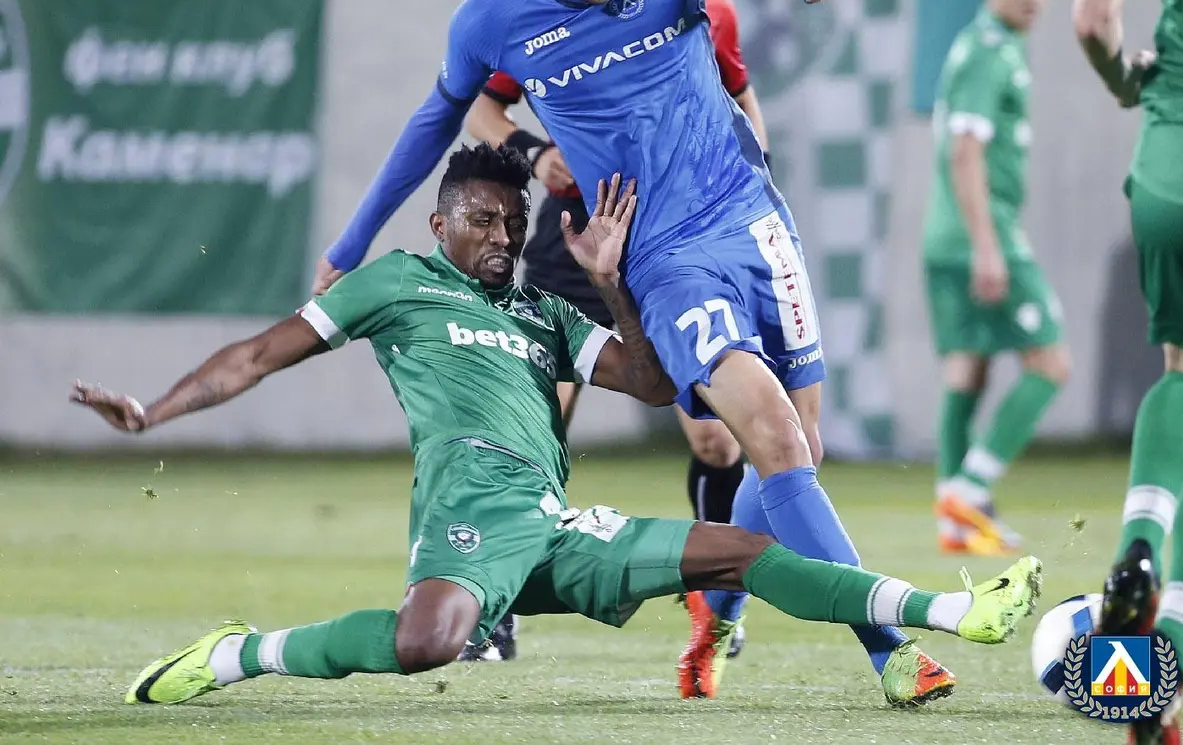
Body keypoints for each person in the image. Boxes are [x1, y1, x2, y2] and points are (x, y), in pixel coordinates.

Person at [72, 145, 1043, 706]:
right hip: (470, 503)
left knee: (743, 550)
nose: (501, 237)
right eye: (482, 221)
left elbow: (654, 384)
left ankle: (949, 613)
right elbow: (256, 353)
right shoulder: (396, 284)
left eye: (511, 222)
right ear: (441, 225)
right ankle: (239, 652)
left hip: (547, 518)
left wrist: (613, 283)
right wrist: (154, 410)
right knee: (427, 643)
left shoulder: (546, 313)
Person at [309, 0, 940, 704]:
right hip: (664, 260)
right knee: (778, 440)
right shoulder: (494, 20)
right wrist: (351, 243)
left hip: (755, 222)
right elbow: (434, 124)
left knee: (801, 449)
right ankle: (894, 651)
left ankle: (714, 615)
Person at [460, 0, 767, 664]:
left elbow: (742, 100)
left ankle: (717, 602)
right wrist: (535, 155)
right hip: (578, 241)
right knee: (537, 429)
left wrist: (753, 188)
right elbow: (482, 108)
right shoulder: (542, 6)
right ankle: (494, 608)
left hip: (675, 243)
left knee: (717, 440)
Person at [1072, 0, 1183, 744]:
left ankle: (1138, 542)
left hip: (1173, 158)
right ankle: (1175, 658)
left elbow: (1093, 18)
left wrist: (1127, 84)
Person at [923, 0, 1070, 557]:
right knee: (1051, 362)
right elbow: (965, 153)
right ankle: (972, 488)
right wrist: (988, 244)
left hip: (946, 234)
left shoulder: (988, 45)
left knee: (968, 365)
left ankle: (953, 516)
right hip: (980, 233)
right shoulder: (989, 51)